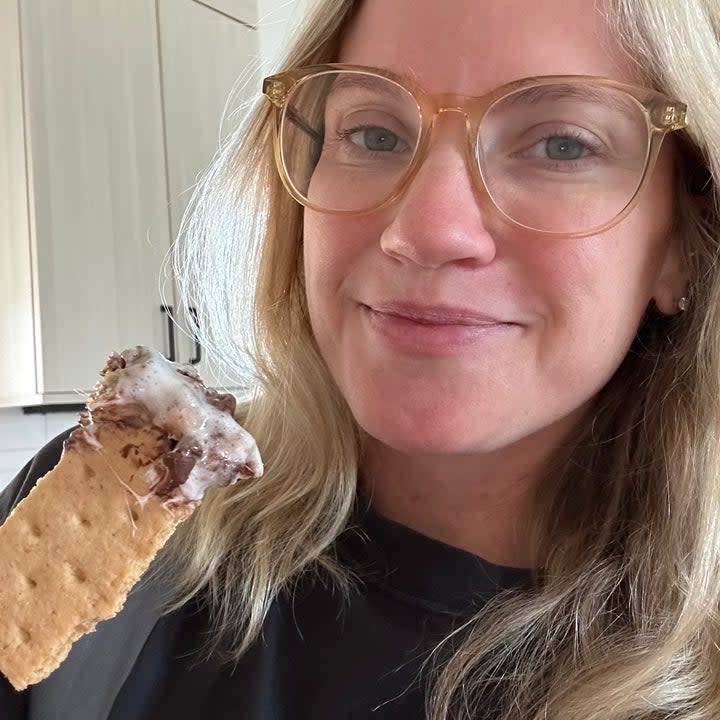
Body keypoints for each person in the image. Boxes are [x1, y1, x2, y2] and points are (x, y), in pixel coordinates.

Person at [2, 0, 719, 717]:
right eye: (373, 132)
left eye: (562, 144)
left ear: (683, 241)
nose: (426, 230)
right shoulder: (135, 500)